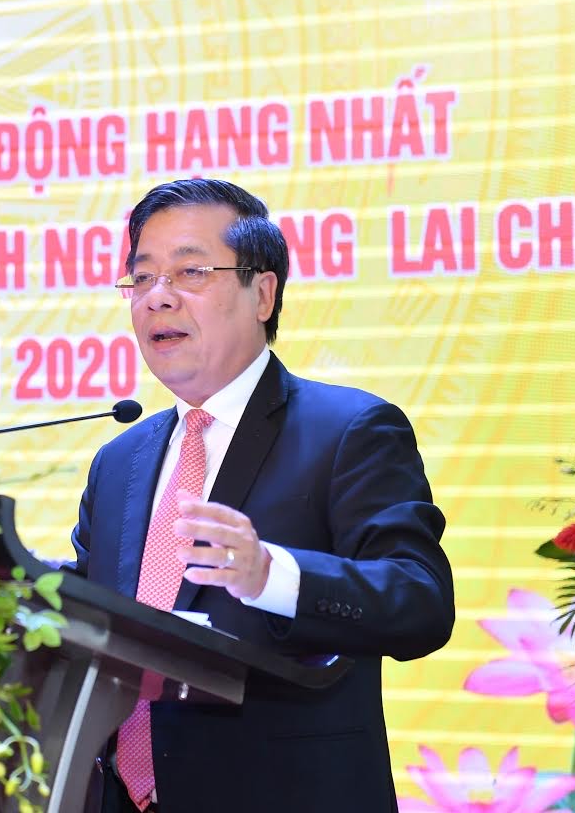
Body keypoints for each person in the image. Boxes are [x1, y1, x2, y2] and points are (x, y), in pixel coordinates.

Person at [69, 178, 454, 813]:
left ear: (264, 293)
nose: (158, 296)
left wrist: (274, 576)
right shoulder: (119, 461)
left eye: (190, 271)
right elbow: (89, 619)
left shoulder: (349, 431)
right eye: (141, 277)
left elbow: (421, 602)